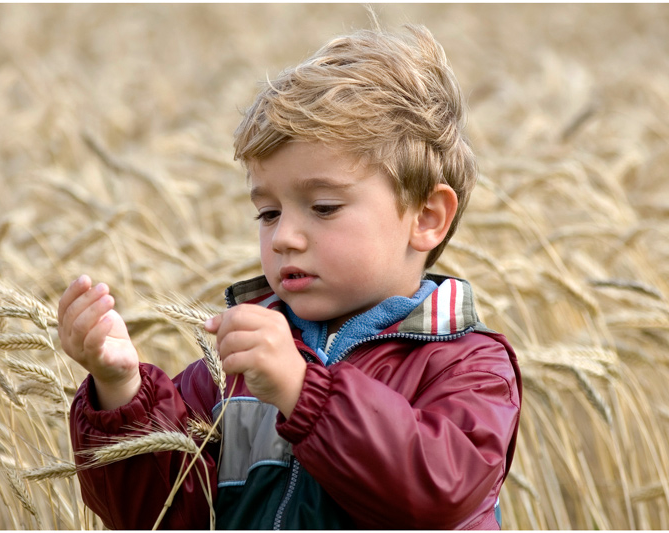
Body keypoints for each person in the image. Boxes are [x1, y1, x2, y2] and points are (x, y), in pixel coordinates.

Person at [58, 23, 521, 530]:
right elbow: (165, 514)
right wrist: (120, 391)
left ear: (427, 217)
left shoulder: (469, 365)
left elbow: (438, 494)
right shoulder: (239, 362)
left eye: (323, 207)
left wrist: (305, 394)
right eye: (269, 213)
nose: (283, 238)